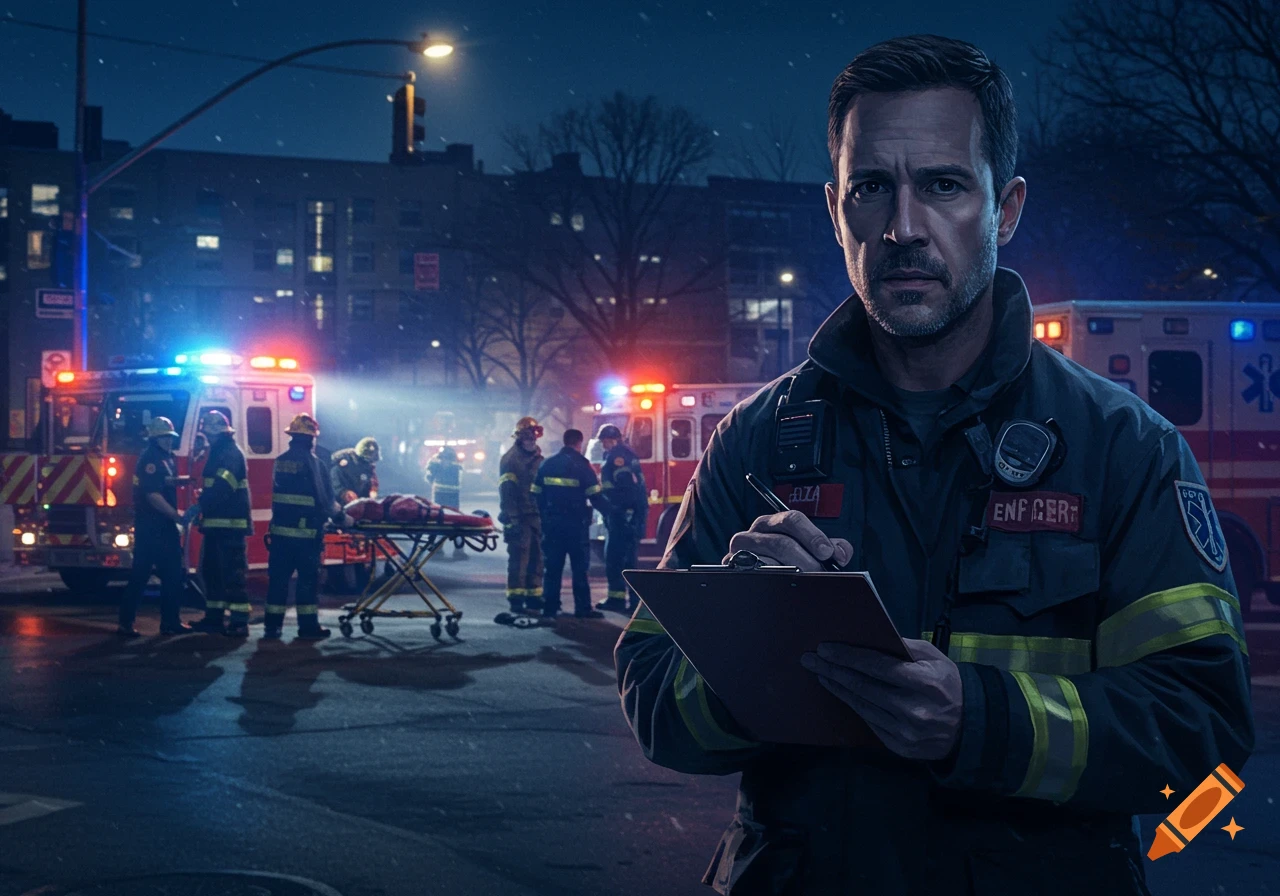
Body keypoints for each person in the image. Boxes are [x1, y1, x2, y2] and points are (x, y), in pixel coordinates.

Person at [615, 35, 1253, 896]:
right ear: (835, 210)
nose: (902, 226)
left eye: (944, 185)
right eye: (872, 187)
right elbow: (656, 705)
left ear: (1007, 208)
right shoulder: (754, 442)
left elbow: (1204, 740)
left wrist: (981, 721)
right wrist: (749, 653)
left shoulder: (1123, 449)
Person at [265, 414, 345, 640]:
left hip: (280, 534)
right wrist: (343, 517)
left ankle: (272, 628)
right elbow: (326, 501)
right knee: (307, 583)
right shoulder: (314, 463)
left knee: (278, 583)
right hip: (306, 537)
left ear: (292, 437)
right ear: (311, 439)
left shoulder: (280, 461)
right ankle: (308, 628)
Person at [118, 416, 193, 637]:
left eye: (170, 437)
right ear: (155, 438)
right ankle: (127, 623)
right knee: (142, 575)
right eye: (164, 437)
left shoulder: (166, 457)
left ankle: (170, 622)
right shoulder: (150, 459)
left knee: (172, 575)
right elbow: (152, 495)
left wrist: (183, 482)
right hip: (152, 527)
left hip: (161, 526)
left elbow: (164, 483)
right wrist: (176, 516)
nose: (169, 441)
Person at [187, 411, 253, 637]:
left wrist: (201, 504)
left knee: (233, 575)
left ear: (218, 434)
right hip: (216, 525)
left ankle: (239, 621)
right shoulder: (218, 452)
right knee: (211, 571)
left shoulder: (230, 454)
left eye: (209, 434)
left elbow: (223, 487)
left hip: (230, 527)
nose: (207, 438)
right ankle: (214, 618)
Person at [533, 429, 610, 620]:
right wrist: (611, 513)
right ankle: (582, 609)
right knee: (579, 569)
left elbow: (536, 493)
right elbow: (595, 495)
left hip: (552, 525)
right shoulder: (582, 465)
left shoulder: (547, 464)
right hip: (576, 526)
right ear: (579, 443)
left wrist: (545, 516)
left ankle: (550, 608)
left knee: (552, 568)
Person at [594, 423, 648, 613]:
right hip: (627, 516)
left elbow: (626, 489)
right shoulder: (624, 453)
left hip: (621, 516)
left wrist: (617, 511)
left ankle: (618, 600)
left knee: (616, 559)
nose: (604, 445)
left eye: (605, 441)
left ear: (613, 439)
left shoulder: (618, 457)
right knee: (627, 560)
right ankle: (631, 601)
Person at [499, 417, 544, 614]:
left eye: (533, 435)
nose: (530, 440)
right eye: (526, 436)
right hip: (519, 518)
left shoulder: (539, 459)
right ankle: (516, 598)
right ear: (519, 438)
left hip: (536, 517)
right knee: (519, 559)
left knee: (537, 558)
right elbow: (507, 492)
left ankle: (533, 596)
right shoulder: (511, 460)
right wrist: (512, 519)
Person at [426, 445, 468, 560]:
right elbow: (462, 480)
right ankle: (458, 551)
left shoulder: (435, 465)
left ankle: (437, 548)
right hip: (453, 498)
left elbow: (429, 478)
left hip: (439, 497)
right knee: (456, 522)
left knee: (438, 522)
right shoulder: (457, 466)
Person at [330, 437, 380, 505]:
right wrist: (343, 492)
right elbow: (334, 480)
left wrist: (373, 490)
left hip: (360, 504)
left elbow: (373, 481)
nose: (370, 463)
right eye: (367, 460)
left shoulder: (369, 466)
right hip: (341, 504)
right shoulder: (343, 463)